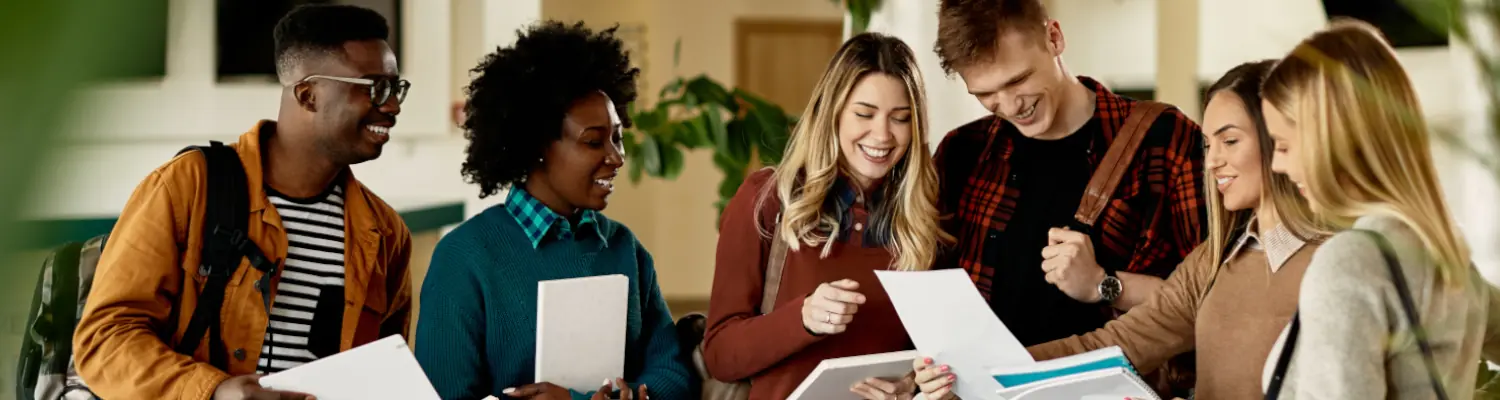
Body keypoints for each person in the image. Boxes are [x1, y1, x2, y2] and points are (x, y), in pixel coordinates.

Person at [72, 4, 413, 400]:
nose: (392, 106)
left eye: (395, 88)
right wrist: (213, 392)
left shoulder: (386, 233)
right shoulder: (188, 185)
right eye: (374, 88)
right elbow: (105, 338)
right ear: (307, 94)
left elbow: (385, 374)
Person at [912, 0, 1206, 396]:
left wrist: (1104, 284)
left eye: (1019, 80)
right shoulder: (962, 151)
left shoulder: (1166, 139)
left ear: (1054, 38)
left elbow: (1212, 300)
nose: (1012, 105)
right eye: (986, 93)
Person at [1012, 60, 1326, 399]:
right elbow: (1111, 347)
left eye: (1230, 141)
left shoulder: (1334, 261)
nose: (1212, 161)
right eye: (1208, 145)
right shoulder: (1214, 260)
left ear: (1282, 139)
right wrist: (983, 371)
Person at [413, 21, 692, 400]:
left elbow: (672, 370)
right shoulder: (465, 257)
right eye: (594, 141)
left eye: (618, 137)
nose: (616, 157)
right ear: (536, 145)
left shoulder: (624, 248)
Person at [700, 32, 952, 400]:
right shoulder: (767, 200)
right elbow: (720, 355)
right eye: (864, 114)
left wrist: (910, 385)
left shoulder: (924, 218)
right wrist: (802, 318)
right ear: (830, 112)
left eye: (900, 118)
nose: (882, 135)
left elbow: (929, 355)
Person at [1257, 19, 1500, 399]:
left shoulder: (1353, 260)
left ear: (1331, 139)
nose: (1277, 166)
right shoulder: (1446, 253)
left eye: (1284, 146)